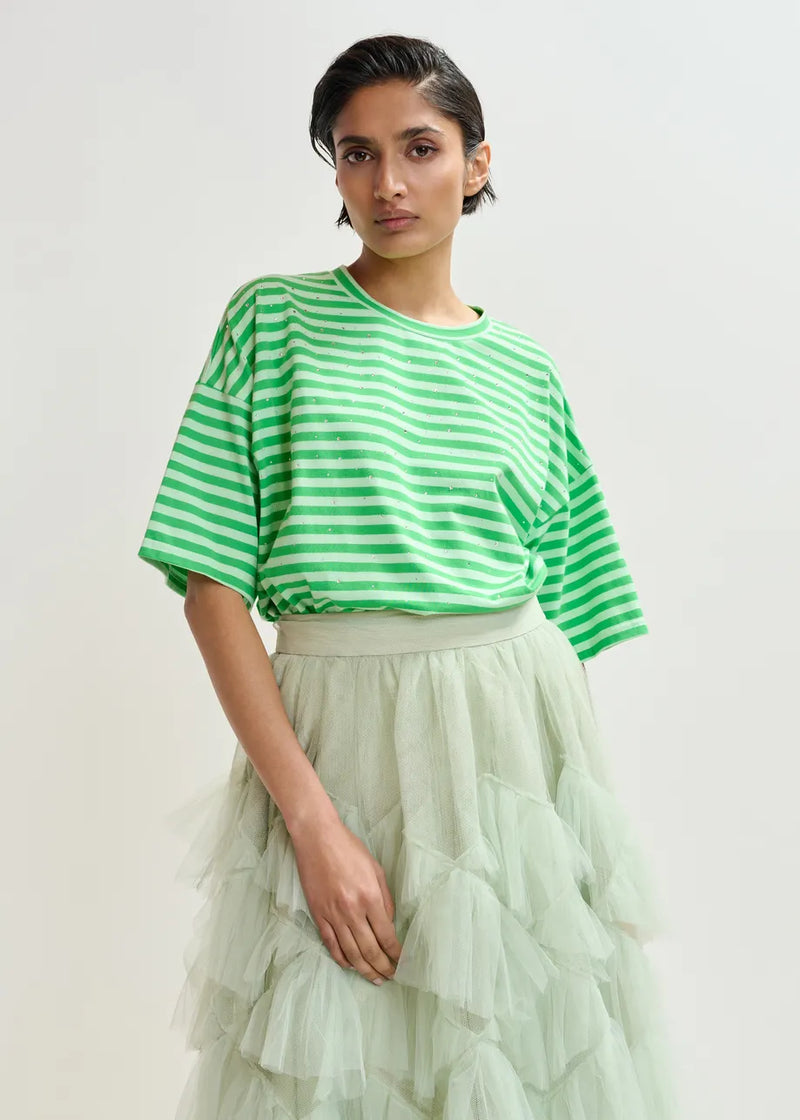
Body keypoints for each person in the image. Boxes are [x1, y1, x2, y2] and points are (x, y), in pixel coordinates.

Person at [138, 32, 679, 1120]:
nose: (387, 182)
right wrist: (312, 823)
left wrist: (563, 851)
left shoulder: (525, 368)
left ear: (476, 164)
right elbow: (211, 588)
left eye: (419, 148)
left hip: (509, 760)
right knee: (330, 1064)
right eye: (356, 153)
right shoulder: (273, 322)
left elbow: (562, 624)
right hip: (335, 746)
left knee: (518, 1072)